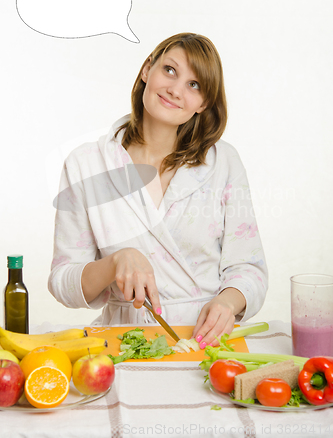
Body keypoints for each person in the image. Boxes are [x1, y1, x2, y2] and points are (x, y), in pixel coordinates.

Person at [49, 32, 268, 349]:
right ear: (146, 70)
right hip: (123, 343)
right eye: (169, 70)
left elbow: (249, 270)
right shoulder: (86, 164)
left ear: (203, 103)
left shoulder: (224, 163)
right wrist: (115, 263)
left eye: (195, 85)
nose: (176, 90)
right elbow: (62, 282)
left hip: (204, 341)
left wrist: (228, 304)